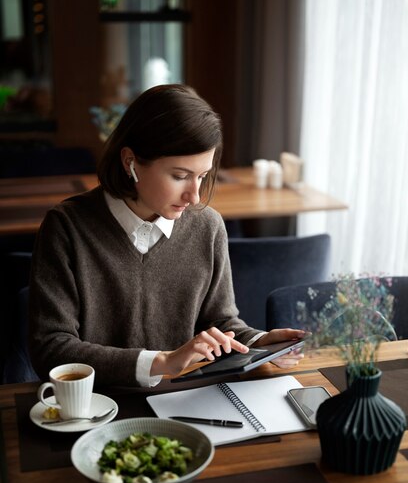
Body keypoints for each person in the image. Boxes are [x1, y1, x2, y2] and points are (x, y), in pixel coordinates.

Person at [28, 84, 304, 387]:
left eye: (202, 176)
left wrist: (258, 342)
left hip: (183, 402)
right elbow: (51, 349)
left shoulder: (208, 227)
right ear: (130, 162)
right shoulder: (67, 227)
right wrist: (162, 362)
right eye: (180, 176)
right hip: (96, 407)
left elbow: (221, 324)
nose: (195, 196)